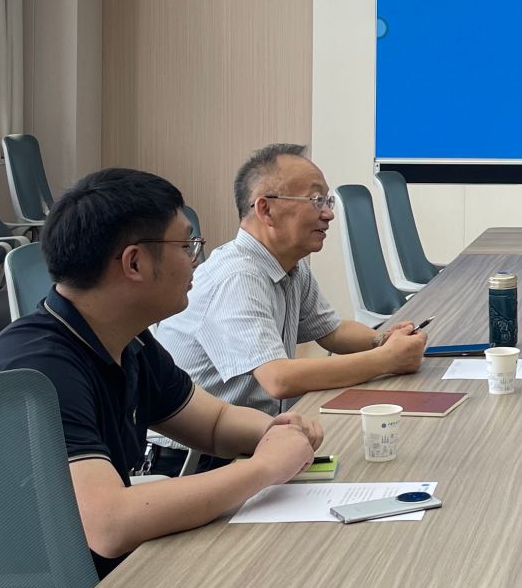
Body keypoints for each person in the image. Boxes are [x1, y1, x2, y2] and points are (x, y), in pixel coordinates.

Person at [0, 168, 323, 577]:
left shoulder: (126, 339)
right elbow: (110, 525)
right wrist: (263, 468)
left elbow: (213, 422)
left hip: (92, 566)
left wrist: (278, 432)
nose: (196, 260)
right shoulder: (40, 370)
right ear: (134, 262)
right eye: (186, 245)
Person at [155, 143, 426, 415]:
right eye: (316, 201)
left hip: (258, 427)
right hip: (202, 442)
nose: (329, 214)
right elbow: (279, 379)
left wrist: (384, 340)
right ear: (266, 210)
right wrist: (386, 359)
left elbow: (331, 332)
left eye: (328, 201)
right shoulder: (237, 277)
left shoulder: (291, 265)